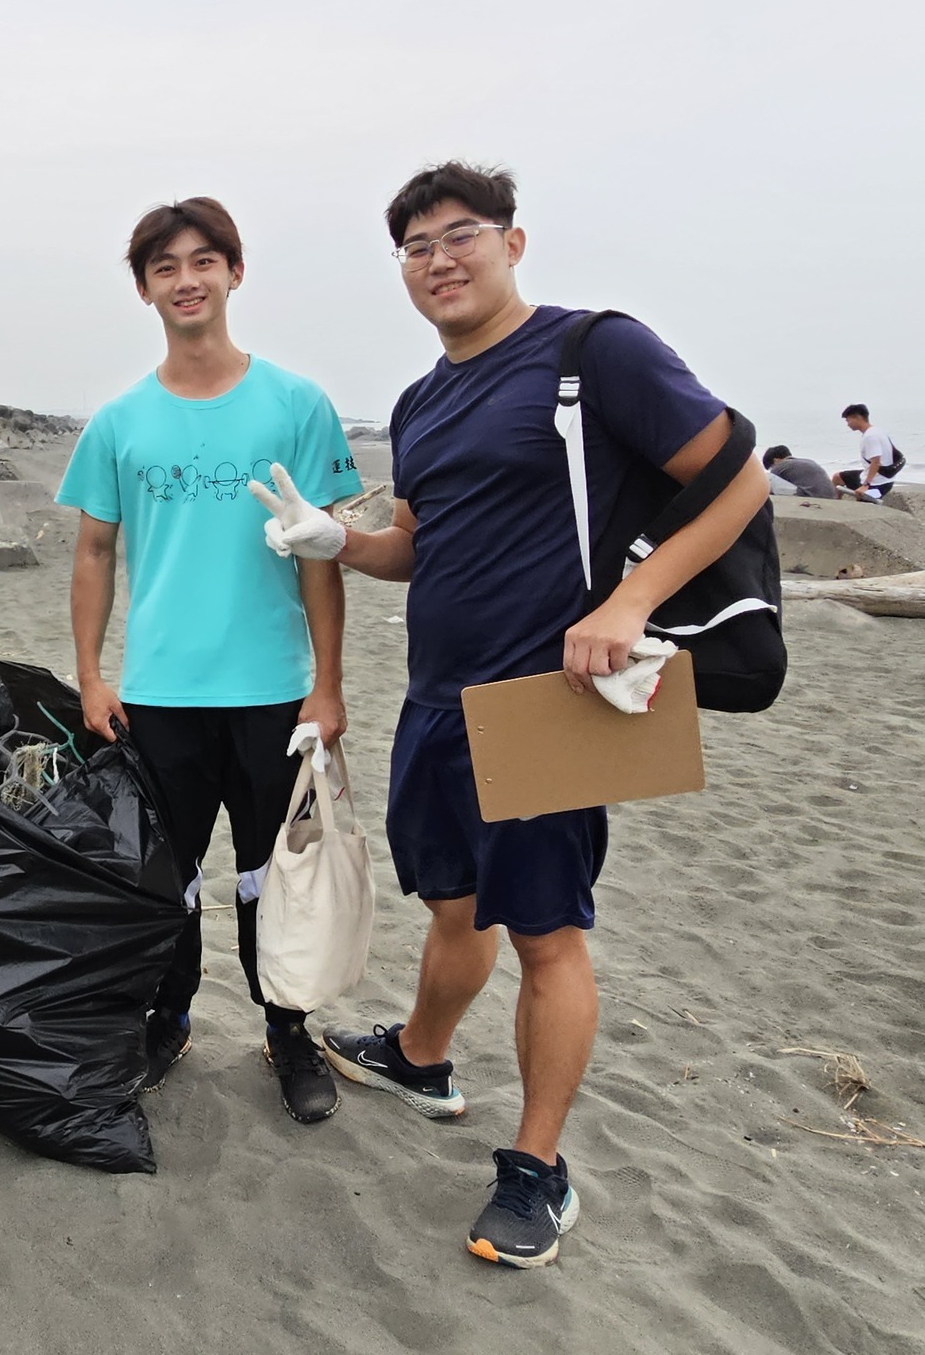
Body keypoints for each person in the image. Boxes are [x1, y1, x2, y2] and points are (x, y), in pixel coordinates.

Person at [265, 162, 767, 1267]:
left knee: (546, 934)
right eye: (416, 246)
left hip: (551, 699)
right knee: (454, 906)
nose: (440, 259)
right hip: (438, 702)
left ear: (514, 243)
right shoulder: (422, 400)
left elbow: (739, 477)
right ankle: (423, 1058)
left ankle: (541, 1170)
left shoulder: (595, 351)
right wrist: (333, 541)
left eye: (463, 235)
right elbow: (417, 544)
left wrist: (631, 600)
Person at [55, 197, 360, 1124]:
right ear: (145, 287)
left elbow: (322, 550)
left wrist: (329, 683)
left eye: (204, 261)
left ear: (234, 271)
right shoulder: (120, 421)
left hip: (272, 691)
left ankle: (288, 1030)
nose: (186, 280)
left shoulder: (295, 405)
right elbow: (96, 552)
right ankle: (168, 1012)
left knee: (277, 874)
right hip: (160, 693)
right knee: (169, 871)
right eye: (164, 267)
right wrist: (92, 674)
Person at [832, 405, 902, 501]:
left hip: (878, 484)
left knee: (861, 501)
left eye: (848, 420)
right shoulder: (877, 431)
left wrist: (866, 485)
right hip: (882, 479)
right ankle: (836, 503)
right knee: (837, 477)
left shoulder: (870, 436)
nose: (848, 424)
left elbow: (876, 461)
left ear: (858, 417)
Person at [762, 445, 834, 499]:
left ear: (775, 460)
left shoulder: (780, 465)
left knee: (767, 477)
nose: (772, 468)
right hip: (830, 496)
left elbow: (770, 486)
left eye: (771, 466)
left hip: (810, 495)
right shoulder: (807, 461)